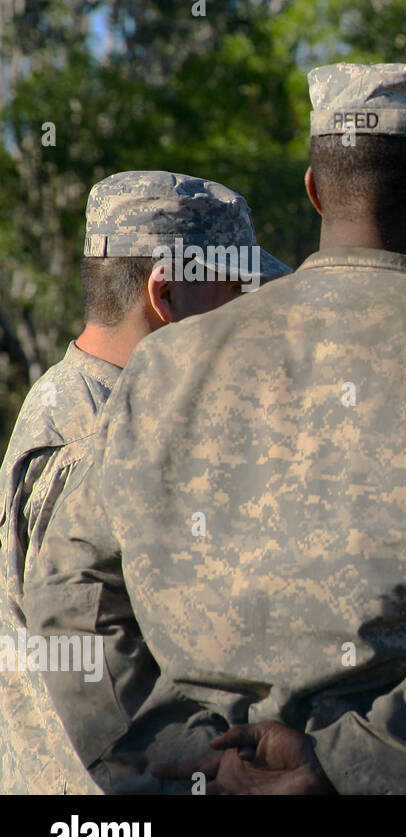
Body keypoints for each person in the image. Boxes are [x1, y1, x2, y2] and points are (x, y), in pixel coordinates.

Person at [25, 63, 406, 794]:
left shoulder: (164, 366)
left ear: (313, 189)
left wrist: (182, 756)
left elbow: (69, 588)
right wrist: (349, 764)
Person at [0, 170, 289, 794]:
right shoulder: (86, 436)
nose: (250, 315)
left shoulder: (115, 409)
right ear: (167, 293)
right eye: (236, 287)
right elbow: (85, 657)